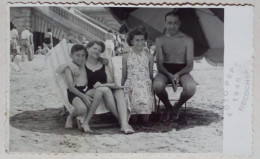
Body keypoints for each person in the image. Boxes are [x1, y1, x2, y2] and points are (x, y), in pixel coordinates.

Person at [152, 11, 196, 121]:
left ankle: (177, 106)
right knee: (157, 86)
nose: (172, 26)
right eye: (170, 23)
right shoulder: (160, 40)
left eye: (175, 23)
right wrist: (170, 75)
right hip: (164, 71)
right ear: (165, 24)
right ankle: (168, 107)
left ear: (179, 23)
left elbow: (190, 65)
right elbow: (159, 65)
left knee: (191, 88)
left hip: (183, 70)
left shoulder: (187, 40)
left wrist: (177, 74)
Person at [82, 40, 134, 134]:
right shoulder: (82, 64)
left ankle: (124, 125)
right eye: (94, 48)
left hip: (105, 88)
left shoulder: (103, 64)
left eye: (99, 50)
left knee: (118, 91)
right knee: (105, 89)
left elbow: (111, 82)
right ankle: (122, 122)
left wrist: (101, 85)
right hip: (90, 90)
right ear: (88, 48)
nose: (97, 51)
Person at [121, 27, 155, 125]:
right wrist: (122, 91)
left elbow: (151, 75)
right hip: (131, 87)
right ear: (131, 41)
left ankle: (148, 109)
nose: (140, 42)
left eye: (142, 40)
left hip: (144, 87)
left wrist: (151, 91)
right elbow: (124, 75)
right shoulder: (126, 56)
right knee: (133, 121)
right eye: (137, 40)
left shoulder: (149, 56)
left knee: (144, 121)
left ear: (145, 40)